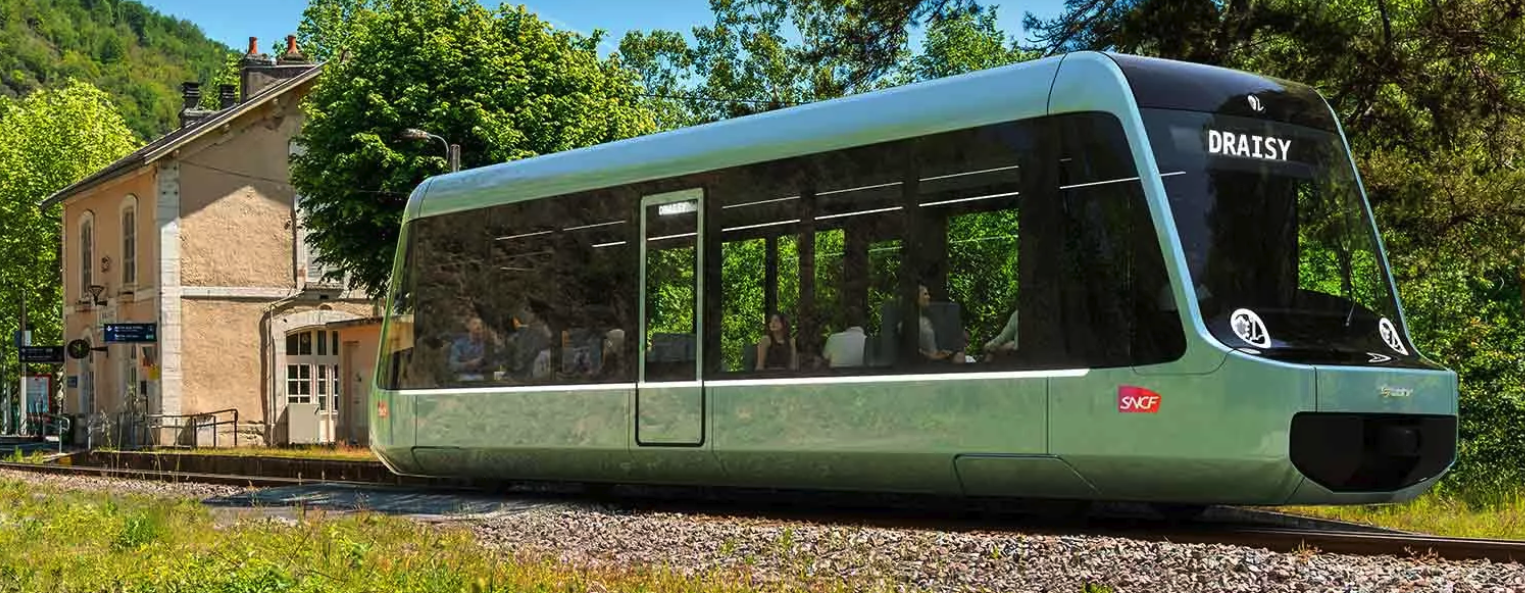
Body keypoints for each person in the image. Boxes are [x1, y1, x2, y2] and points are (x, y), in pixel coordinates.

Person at [448, 315, 491, 380]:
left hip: (484, 376)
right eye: (475, 323)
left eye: (480, 324)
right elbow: (453, 365)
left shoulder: (485, 344)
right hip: (464, 376)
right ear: (468, 326)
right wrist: (468, 364)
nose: (478, 326)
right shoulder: (459, 344)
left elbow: (495, 363)